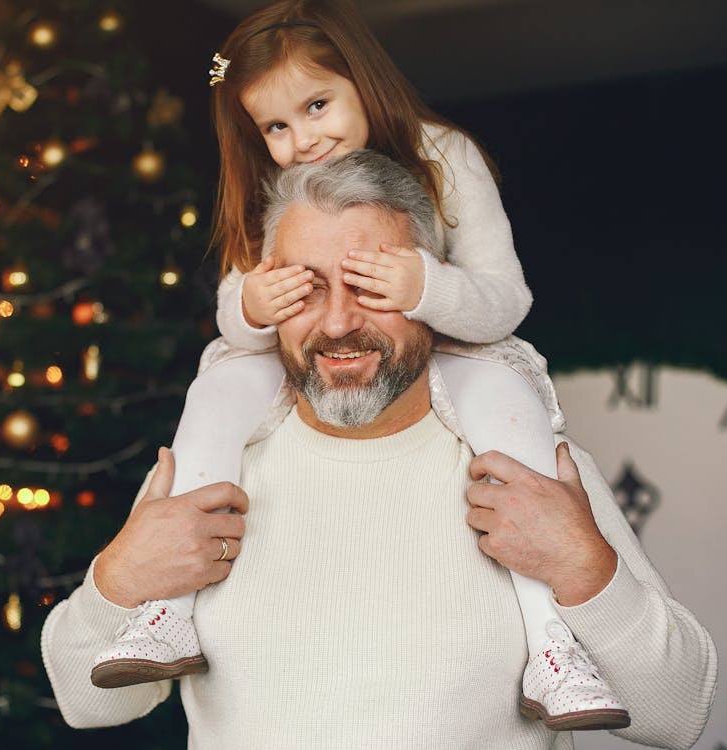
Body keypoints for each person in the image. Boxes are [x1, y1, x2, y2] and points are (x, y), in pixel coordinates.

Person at [42, 150, 716, 748]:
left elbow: (678, 714)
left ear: (435, 292)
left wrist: (581, 566)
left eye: (370, 284)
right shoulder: (205, 471)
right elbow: (87, 702)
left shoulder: (534, 472)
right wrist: (122, 578)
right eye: (304, 288)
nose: (337, 323)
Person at [90, 0, 622, 730]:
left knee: (514, 433)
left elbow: (504, 299)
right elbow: (232, 321)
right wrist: (253, 301)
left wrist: (424, 288)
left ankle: (553, 648)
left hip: (460, 349)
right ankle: (164, 613)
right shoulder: (268, 191)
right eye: (276, 127)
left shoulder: (443, 156)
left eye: (316, 106)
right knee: (213, 395)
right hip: (277, 362)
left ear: (363, 83)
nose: (303, 139)